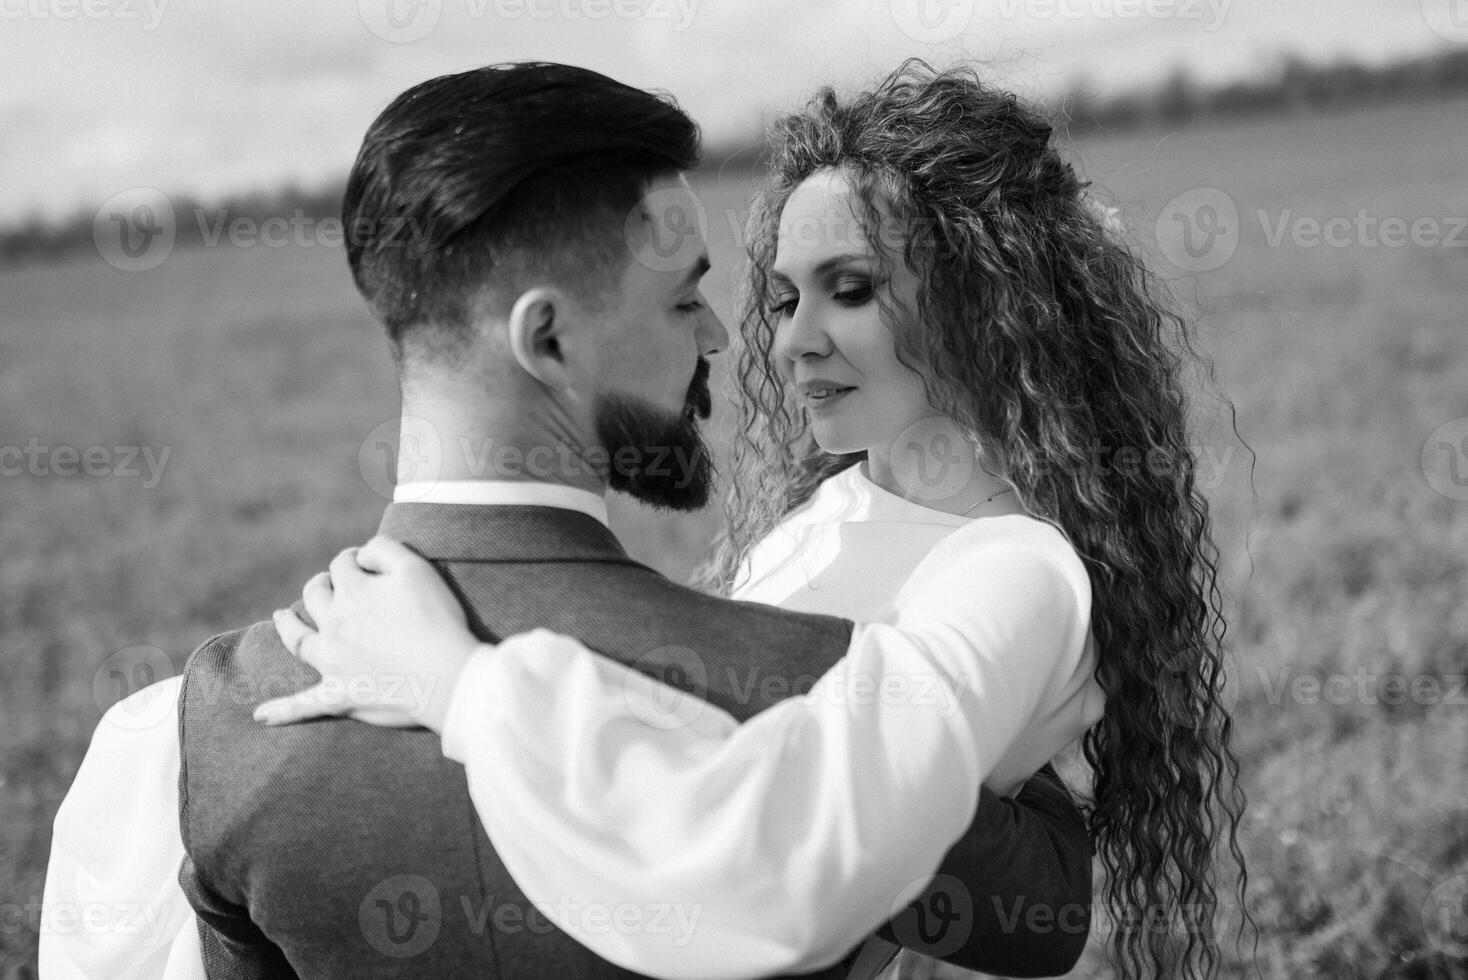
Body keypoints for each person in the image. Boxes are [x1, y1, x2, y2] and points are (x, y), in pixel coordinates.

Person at [40, 62, 1097, 980]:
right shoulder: (805, 676)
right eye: (689, 300)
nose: (736, 343)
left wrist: (459, 679)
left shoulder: (192, 733)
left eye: (847, 290)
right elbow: (1005, 896)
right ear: (545, 339)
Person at [262, 61, 1251, 979]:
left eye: (849, 291)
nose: (788, 342)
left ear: (987, 299)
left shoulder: (1013, 571)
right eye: (781, 299)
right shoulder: (819, 515)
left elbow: (789, 848)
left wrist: (461, 683)